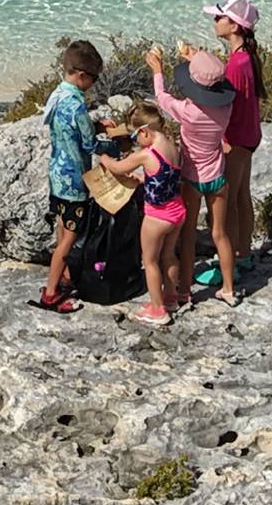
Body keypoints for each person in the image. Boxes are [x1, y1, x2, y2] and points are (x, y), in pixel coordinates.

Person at [149, 42, 240, 305]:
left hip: (192, 179)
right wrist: (194, 57)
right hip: (218, 177)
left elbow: (161, 96)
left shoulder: (188, 112)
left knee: (188, 236)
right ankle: (229, 289)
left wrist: (158, 69)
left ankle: (185, 290)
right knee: (219, 233)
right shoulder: (225, 108)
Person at [35, 40, 114, 314]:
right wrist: (115, 144)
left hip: (56, 174)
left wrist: (94, 124)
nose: (94, 83)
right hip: (73, 182)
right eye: (94, 78)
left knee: (62, 229)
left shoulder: (58, 96)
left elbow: (69, 131)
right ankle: (52, 292)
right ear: (81, 74)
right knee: (68, 241)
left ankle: (65, 275)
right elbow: (90, 145)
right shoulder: (78, 106)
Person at [96, 102, 185, 327]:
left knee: (150, 260)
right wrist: (146, 180)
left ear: (144, 131)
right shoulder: (171, 145)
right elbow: (166, 176)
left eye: (135, 136)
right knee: (169, 256)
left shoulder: (147, 154)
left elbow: (119, 168)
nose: (136, 142)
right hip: (177, 211)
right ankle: (171, 297)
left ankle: (157, 309)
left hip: (157, 217)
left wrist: (104, 159)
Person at [198, 0, 265, 289]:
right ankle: (244, 252)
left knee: (229, 203)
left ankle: (232, 262)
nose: (215, 21)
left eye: (220, 17)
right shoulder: (246, 58)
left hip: (235, 139)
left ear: (235, 25)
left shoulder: (236, 65)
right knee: (242, 195)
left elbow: (228, 106)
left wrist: (221, 138)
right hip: (249, 135)